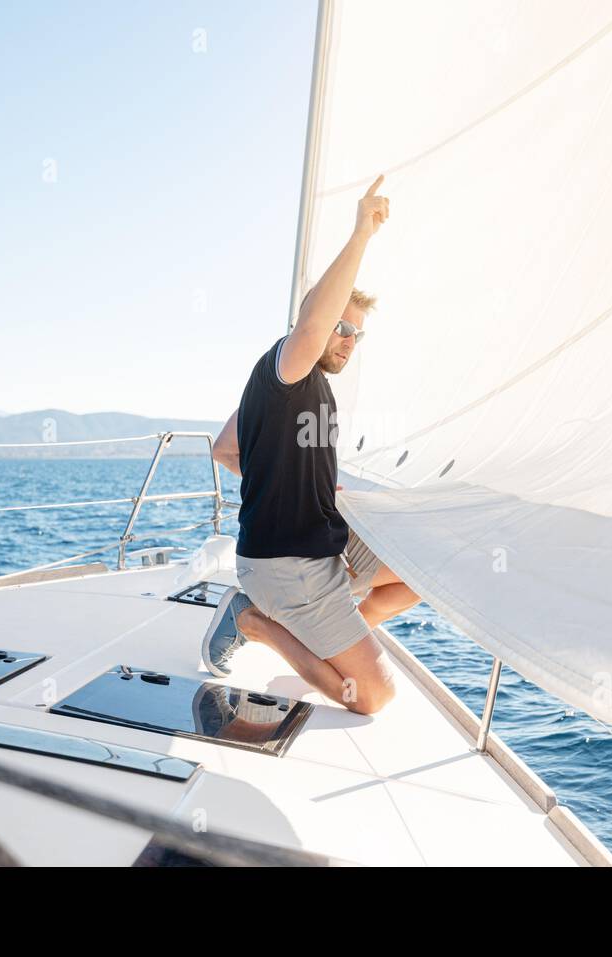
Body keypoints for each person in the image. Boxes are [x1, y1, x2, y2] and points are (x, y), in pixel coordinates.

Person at [202, 175, 418, 715]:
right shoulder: (292, 365)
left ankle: (329, 635)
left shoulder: (298, 383)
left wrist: (293, 488)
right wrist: (362, 234)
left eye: (356, 333)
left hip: (324, 544)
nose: (346, 339)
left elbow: (224, 451)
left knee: (431, 569)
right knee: (372, 697)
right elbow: (312, 324)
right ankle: (256, 621)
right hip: (286, 567)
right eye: (340, 326)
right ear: (315, 323)